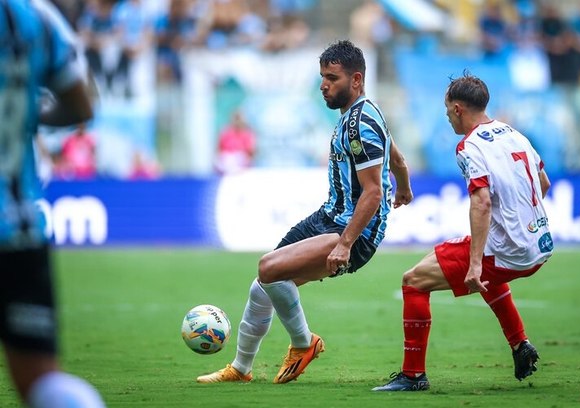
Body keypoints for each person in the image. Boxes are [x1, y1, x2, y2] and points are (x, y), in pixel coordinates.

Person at [196, 39, 413, 384]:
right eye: (322, 77)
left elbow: (372, 192)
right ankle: (240, 369)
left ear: (356, 80)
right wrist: (403, 185)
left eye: (333, 78)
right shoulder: (360, 114)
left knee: (268, 269)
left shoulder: (360, 123)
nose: (324, 85)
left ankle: (304, 343)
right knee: (262, 285)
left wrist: (345, 243)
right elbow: (396, 157)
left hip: (352, 232)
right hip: (329, 217)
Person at [373, 71, 553, 391]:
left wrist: (475, 262)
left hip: (509, 250)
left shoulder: (468, 146)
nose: (447, 118)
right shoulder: (515, 134)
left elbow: (481, 202)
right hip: (539, 245)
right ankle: (520, 344)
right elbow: (543, 184)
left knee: (413, 281)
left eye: (447, 111)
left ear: (458, 109)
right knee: (469, 264)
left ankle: (413, 375)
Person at [0, 1, 105, 407]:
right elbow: (82, 105)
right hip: (18, 228)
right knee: (41, 382)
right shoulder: (34, 17)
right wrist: (26, 112)